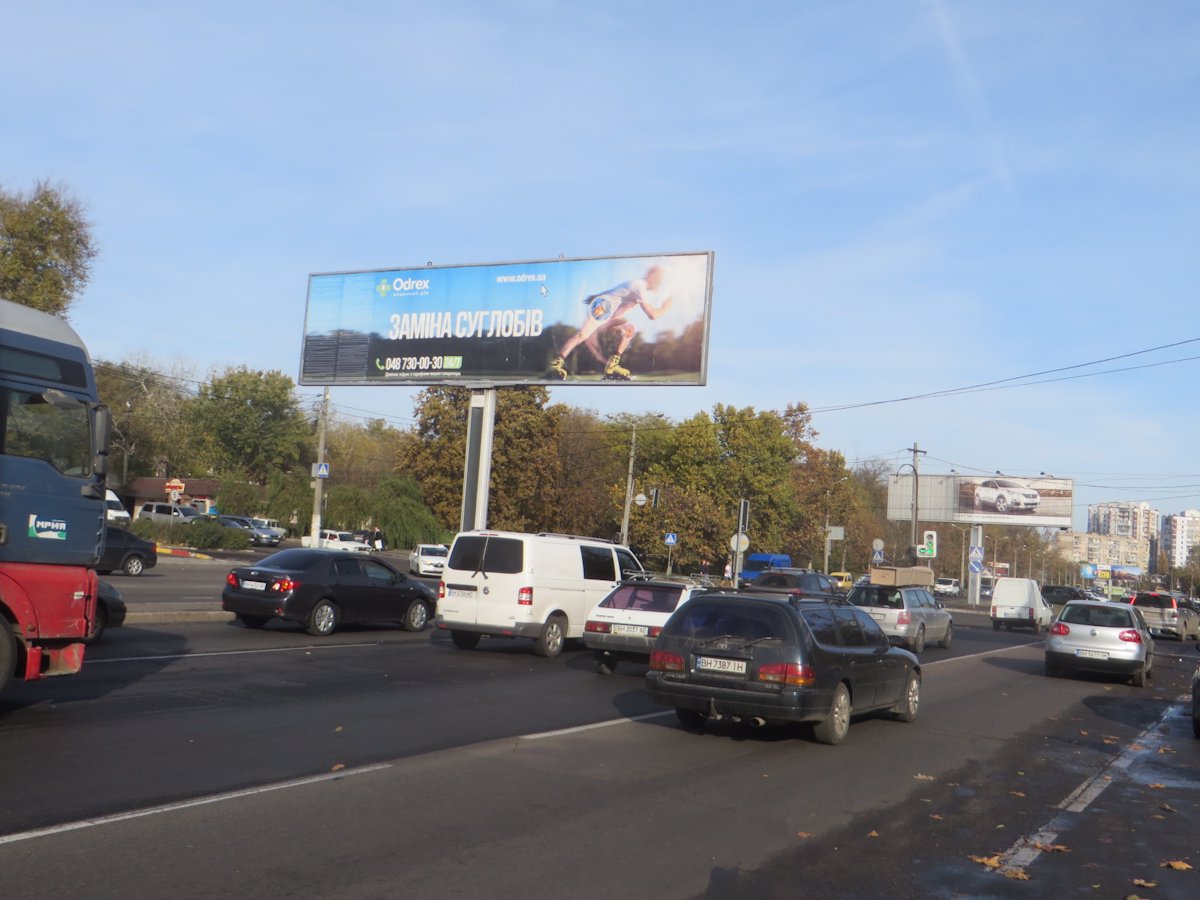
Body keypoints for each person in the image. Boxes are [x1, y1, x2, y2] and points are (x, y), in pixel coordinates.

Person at [547, 265, 674, 381]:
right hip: (604, 308)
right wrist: (665, 307)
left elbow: (615, 292)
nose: (660, 283)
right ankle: (556, 364)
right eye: (660, 280)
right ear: (652, 277)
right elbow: (652, 315)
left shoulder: (639, 285)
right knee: (582, 335)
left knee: (629, 330)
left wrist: (596, 296)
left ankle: (612, 366)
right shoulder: (639, 286)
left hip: (610, 313)